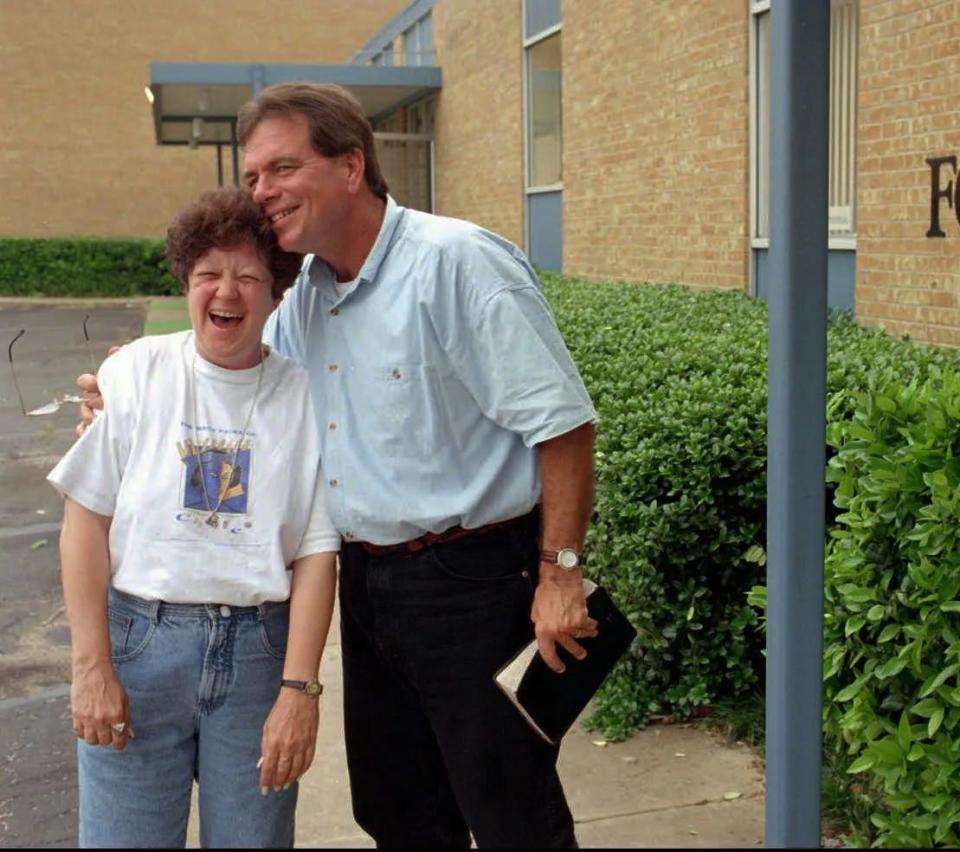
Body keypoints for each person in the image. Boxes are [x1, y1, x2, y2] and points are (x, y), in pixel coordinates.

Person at [79, 82, 598, 848]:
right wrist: (123, 386)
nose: (263, 193)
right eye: (254, 176)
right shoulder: (307, 298)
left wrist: (560, 573)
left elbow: (565, 427)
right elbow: (232, 367)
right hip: (368, 588)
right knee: (400, 813)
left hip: (473, 588)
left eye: (281, 169)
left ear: (351, 166)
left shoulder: (456, 263)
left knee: (510, 811)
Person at [55, 187, 340, 848]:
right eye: (210, 273)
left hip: (258, 659)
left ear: (275, 293)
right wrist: (91, 665)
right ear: (187, 281)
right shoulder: (134, 374)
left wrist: (300, 691)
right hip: (139, 649)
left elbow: (316, 553)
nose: (227, 292)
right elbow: (85, 522)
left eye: (248, 276)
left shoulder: (304, 395)